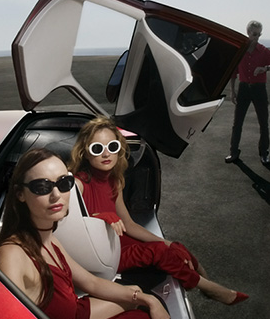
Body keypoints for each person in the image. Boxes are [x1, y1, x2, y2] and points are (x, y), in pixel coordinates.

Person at [0, 148, 170, 319]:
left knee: (144, 298)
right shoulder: (11, 254)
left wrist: (145, 298)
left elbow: (91, 282)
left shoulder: (48, 237)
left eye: (64, 183)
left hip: (72, 317)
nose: (56, 195)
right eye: (42, 187)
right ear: (20, 194)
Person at [70, 118, 247, 306]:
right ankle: (209, 288)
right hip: (102, 255)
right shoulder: (78, 184)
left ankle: (205, 282)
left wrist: (168, 242)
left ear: (119, 149)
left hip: (118, 241)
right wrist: (98, 218)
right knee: (160, 252)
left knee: (175, 248)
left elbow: (128, 224)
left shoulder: (114, 180)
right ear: (85, 153)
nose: (106, 154)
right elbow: (67, 230)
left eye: (112, 147)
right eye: (97, 149)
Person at [226, 20, 270, 164]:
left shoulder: (263, 51)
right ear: (248, 32)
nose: (257, 37)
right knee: (237, 123)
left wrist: (266, 68)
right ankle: (233, 152)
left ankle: (264, 153)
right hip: (244, 89)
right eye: (254, 34)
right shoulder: (240, 50)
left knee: (263, 123)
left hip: (259, 90)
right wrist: (232, 91)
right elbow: (233, 72)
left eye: (259, 35)